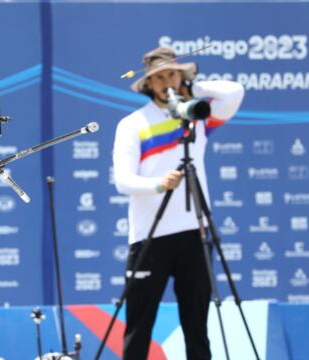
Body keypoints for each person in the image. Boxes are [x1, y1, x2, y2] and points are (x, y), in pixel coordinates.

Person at [112, 47, 245, 360]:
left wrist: (193, 88)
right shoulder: (133, 123)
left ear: (181, 76)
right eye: (157, 77)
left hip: (194, 234)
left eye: (171, 73)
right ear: (147, 84)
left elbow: (234, 93)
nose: (165, 81)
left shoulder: (195, 114)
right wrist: (159, 184)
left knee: (196, 327)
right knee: (139, 327)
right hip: (149, 237)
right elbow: (123, 181)